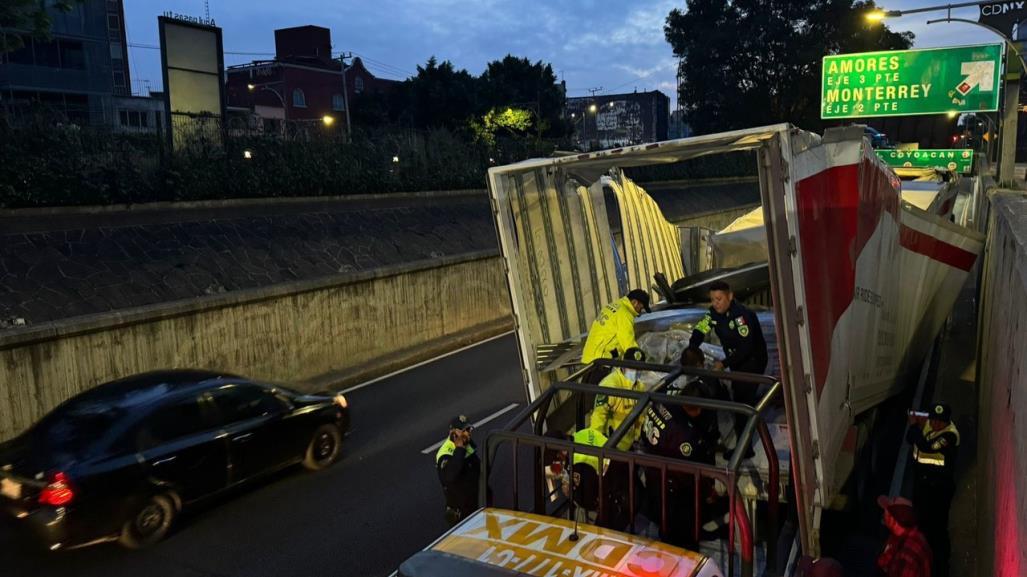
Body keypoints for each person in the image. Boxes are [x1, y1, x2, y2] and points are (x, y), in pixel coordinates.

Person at [687, 280, 767, 458]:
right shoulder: (713, 313)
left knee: (742, 404)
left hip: (752, 361)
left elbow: (746, 347)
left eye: (719, 299)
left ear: (730, 296)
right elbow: (701, 329)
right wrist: (692, 348)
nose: (715, 303)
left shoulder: (741, 316)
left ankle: (745, 450)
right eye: (712, 300)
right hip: (735, 360)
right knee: (738, 400)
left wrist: (723, 363)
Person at [639, 378, 720, 549]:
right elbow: (688, 475)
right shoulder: (685, 436)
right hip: (673, 488)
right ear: (697, 409)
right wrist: (707, 491)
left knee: (664, 518)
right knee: (681, 534)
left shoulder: (661, 403)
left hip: (652, 470)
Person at [907, 401, 959, 577]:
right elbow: (909, 439)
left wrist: (915, 427)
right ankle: (922, 562)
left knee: (937, 529)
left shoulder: (949, 436)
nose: (936, 424)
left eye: (940, 421)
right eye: (934, 419)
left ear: (947, 422)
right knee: (921, 524)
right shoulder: (928, 425)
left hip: (940, 489)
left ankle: (941, 568)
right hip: (923, 484)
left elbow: (927, 446)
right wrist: (916, 428)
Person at [581, 289, 651, 383]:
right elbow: (629, 345)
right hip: (601, 361)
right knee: (596, 393)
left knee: (585, 389)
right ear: (635, 303)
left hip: (590, 354)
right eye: (641, 308)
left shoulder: (615, 305)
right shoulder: (625, 315)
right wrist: (641, 361)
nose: (639, 313)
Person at [590, 347, 648, 451]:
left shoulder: (640, 387)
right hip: (612, 444)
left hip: (630, 444)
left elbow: (641, 416)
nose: (635, 372)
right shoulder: (610, 385)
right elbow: (598, 417)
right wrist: (598, 447)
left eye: (639, 369)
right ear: (623, 365)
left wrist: (637, 438)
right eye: (631, 368)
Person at [436, 415, 481, 526]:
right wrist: (459, 449)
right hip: (461, 513)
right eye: (464, 430)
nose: (468, 432)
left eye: (469, 429)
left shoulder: (468, 445)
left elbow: (478, 469)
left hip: (476, 505)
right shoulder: (445, 453)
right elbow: (450, 476)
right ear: (453, 433)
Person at [876, 495, 931, 577]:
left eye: (886, 510)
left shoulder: (908, 553)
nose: (883, 513)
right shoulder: (897, 537)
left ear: (893, 518)